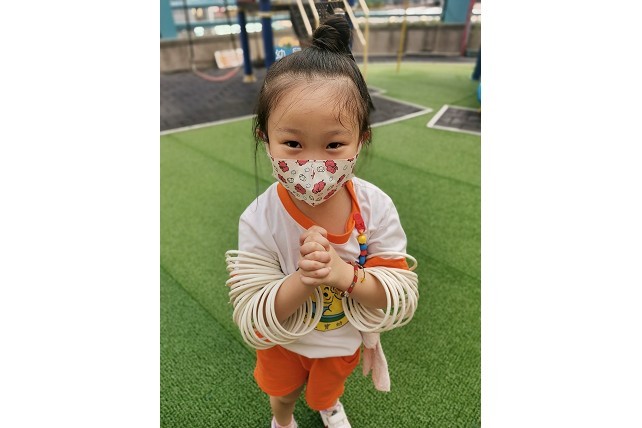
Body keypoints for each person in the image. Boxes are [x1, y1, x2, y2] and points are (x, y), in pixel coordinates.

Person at [225, 15, 419, 428]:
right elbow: (253, 309)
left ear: (361, 138)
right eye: (293, 143)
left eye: (334, 144)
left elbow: (393, 293)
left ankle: (327, 405)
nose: (313, 164)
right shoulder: (260, 218)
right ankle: (283, 420)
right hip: (283, 343)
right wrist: (305, 278)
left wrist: (342, 273)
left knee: (325, 392)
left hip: (342, 343)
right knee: (282, 393)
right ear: (265, 138)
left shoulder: (375, 207)